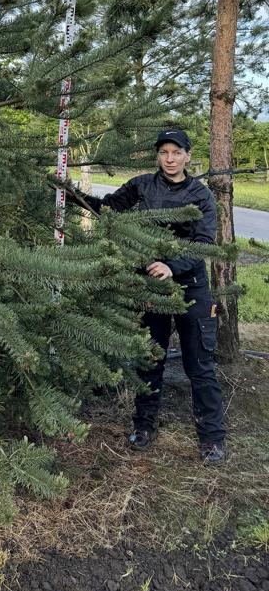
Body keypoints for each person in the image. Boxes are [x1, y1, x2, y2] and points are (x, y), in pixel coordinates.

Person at [79, 129, 227, 464]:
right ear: (157, 156)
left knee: (199, 364)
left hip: (189, 286)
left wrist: (172, 266)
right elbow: (110, 209)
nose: (170, 159)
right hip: (150, 286)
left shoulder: (200, 195)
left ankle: (211, 438)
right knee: (151, 358)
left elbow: (204, 242)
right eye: (164, 152)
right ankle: (144, 425)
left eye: (177, 152)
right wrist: (72, 195)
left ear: (188, 156)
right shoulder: (142, 185)